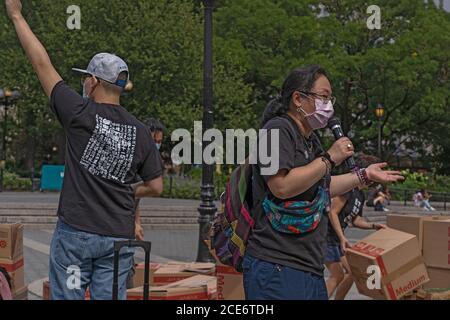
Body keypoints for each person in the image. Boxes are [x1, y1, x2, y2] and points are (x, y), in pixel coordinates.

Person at [5, 0, 164, 300]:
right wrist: (132, 193)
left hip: (77, 234)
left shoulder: (79, 113)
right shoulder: (141, 132)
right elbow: (156, 185)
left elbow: (41, 63)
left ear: (93, 82)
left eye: (85, 79)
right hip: (118, 237)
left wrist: (16, 15)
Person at [243, 65, 404, 300]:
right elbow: (281, 186)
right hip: (277, 263)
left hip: (309, 265)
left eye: (330, 98)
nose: (329, 106)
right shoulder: (275, 130)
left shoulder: (310, 140)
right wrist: (330, 158)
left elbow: (323, 186)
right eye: (323, 97)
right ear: (298, 98)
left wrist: (364, 175)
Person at [325, 156, 387, 300]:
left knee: (352, 272)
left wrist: (373, 225)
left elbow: (355, 220)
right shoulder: (348, 188)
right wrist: (342, 237)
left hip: (336, 239)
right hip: (326, 237)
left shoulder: (360, 195)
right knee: (337, 275)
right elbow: (332, 212)